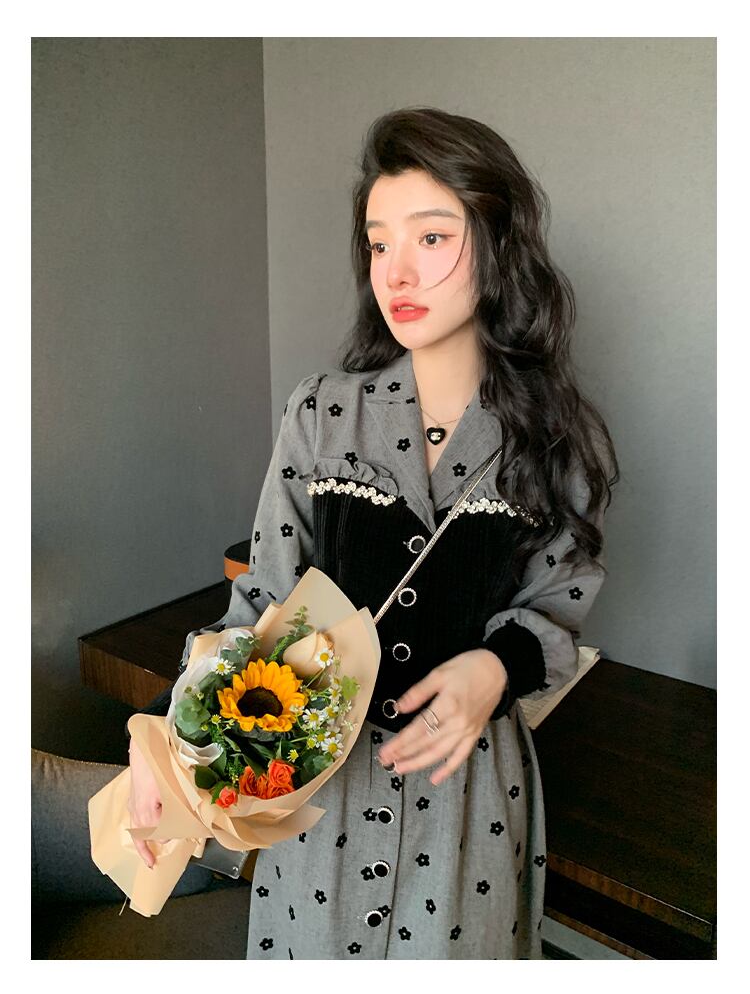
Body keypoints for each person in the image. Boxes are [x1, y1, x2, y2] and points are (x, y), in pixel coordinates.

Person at [126, 106, 619, 959]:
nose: (398, 270)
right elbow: (262, 601)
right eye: (378, 242)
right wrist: (164, 740)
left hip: (467, 802)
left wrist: (495, 668)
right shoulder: (322, 413)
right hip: (323, 796)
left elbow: (558, 607)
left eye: (431, 237)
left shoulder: (553, 441)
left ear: (499, 245)